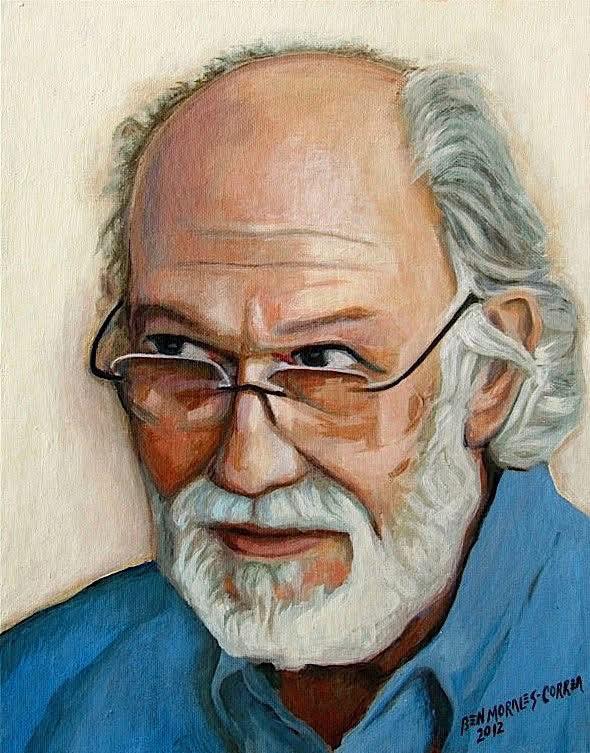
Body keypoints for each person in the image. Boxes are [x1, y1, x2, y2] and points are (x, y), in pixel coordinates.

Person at [2, 46, 588, 753]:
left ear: (491, 374)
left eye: (322, 361)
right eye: (179, 353)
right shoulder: (34, 697)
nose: (246, 468)